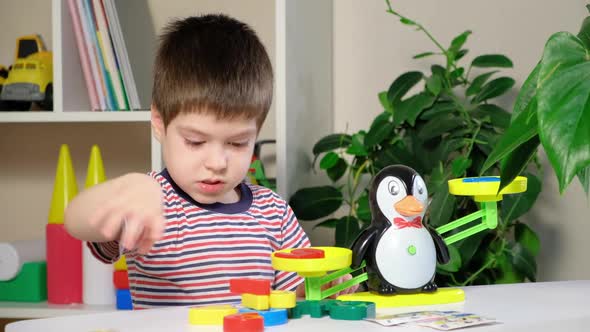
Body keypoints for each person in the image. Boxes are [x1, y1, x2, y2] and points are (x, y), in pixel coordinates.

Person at [65, 14, 357, 309]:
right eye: (195, 142)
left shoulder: (274, 213)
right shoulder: (152, 203)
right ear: (159, 122)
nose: (217, 162)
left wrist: (326, 288)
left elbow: (294, 297)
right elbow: (76, 220)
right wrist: (126, 188)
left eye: (237, 143)